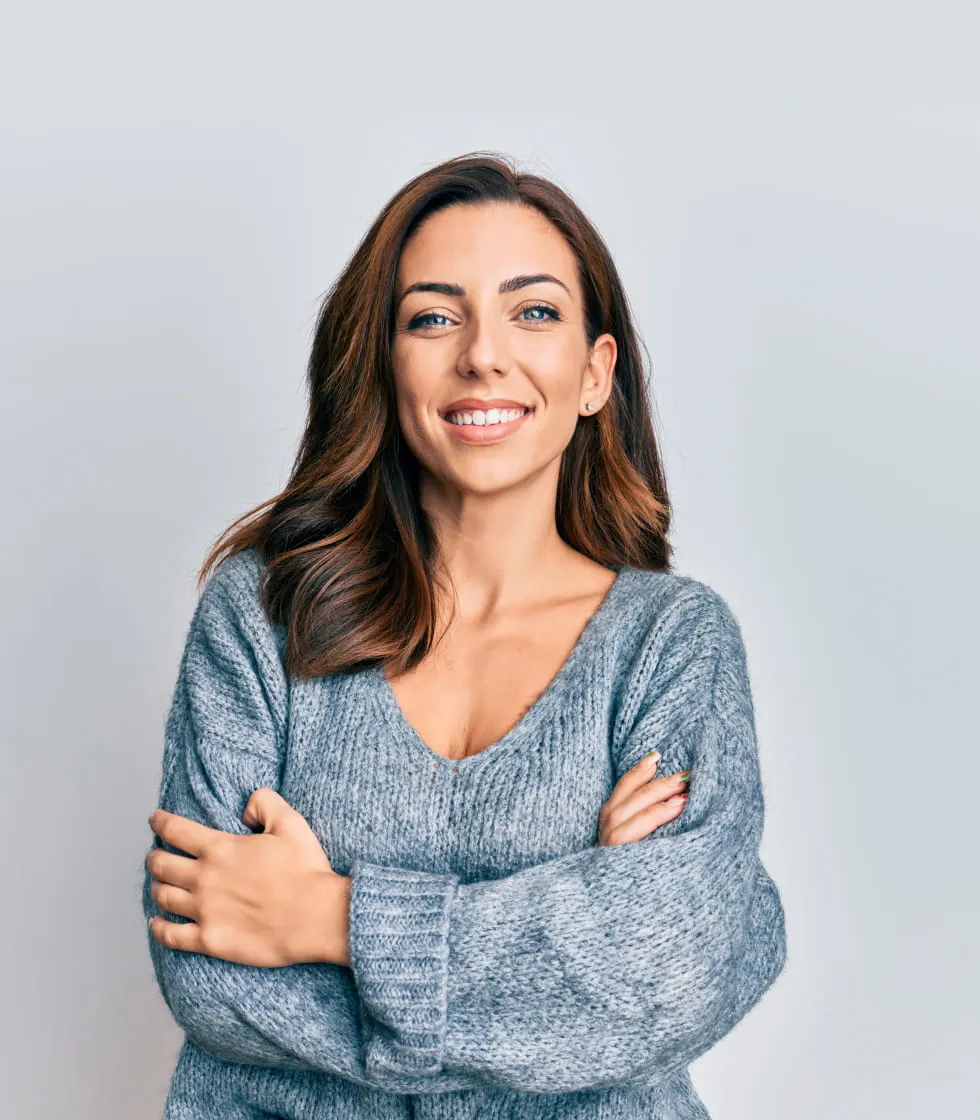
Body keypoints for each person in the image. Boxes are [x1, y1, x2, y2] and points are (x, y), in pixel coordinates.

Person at [141, 151, 788, 1119]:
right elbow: (209, 978)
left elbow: (672, 970)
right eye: (433, 318)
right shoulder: (263, 612)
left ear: (594, 374)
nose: (483, 354)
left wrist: (328, 918)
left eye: (534, 312)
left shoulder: (671, 643)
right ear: (383, 363)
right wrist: (569, 932)